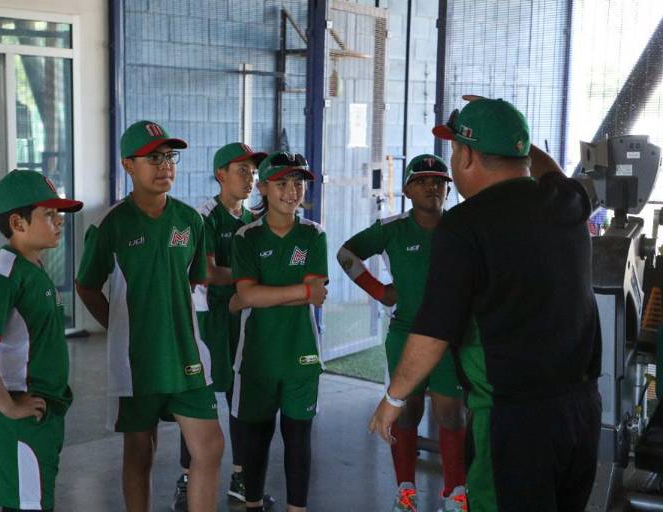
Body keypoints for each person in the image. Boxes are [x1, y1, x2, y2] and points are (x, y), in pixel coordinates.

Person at [369, 97, 602, 512]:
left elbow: (434, 331)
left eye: (456, 149)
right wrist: (514, 136)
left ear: (468, 156)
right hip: (582, 412)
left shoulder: (464, 226)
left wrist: (394, 399)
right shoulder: (566, 201)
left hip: (512, 420)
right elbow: (552, 173)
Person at [75, 121, 224, 512]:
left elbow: (194, 281)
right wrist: (120, 329)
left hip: (187, 355)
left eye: (169, 157)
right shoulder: (111, 225)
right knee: (141, 452)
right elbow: (86, 285)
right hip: (136, 362)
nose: (165, 166)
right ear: (128, 165)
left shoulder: (191, 221)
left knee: (209, 447)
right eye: (153, 158)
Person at [337, 154, 467, 512]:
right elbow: (346, 253)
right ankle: (405, 490)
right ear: (408, 189)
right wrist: (379, 290)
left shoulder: (459, 227)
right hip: (406, 334)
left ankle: (456, 493)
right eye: (423, 181)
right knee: (405, 413)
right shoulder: (391, 229)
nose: (432, 187)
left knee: (451, 414)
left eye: (439, 181)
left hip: (447, 337)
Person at [0, 170, 83, 511]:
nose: (59, 222)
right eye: (48, 214)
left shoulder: (32, 267)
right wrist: (8, 406)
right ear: (18, 222)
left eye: (59, 215)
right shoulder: (3, 274)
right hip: (18, 413)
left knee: (34, 503)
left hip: (41, 411)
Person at [172, 142, 274, 511]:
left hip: (240, 316)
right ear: (221, 175)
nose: (250, 178)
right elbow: (208, 272)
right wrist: (253, 278)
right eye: (242, 170)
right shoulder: (204, 216)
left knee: (240, 397)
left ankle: (240, 476)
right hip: (205, 319)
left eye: (254, 171)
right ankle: (186, 478)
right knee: (199, 398)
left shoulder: (251, 221)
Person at [229, 151, 328, 512]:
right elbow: (247, 293)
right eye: (282, 183)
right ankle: (252, 505)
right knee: (255, 442)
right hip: (256, 359)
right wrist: (300, 292)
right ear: (265, 187)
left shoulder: (314, 235)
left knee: (299, 441)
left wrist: (261, 296)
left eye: (298, 183)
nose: (292, 191)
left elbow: (312, 297)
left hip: (302, 356)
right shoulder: (246, 237)